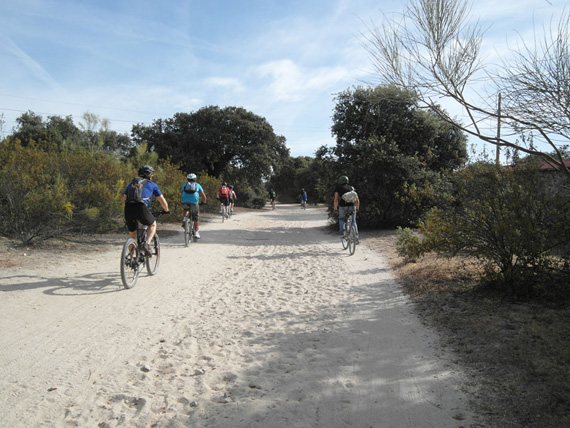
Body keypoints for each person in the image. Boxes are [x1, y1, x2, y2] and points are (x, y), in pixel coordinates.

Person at [123, 165, 169, 255]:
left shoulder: (131, 184)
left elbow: (123, 201)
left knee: (132, 234)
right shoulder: (152, 185)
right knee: (152, 225)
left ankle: (131, 259)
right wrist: (166, 210)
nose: (152, 176)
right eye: (151, 174)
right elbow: (163, 202)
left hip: (128, 208)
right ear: (148, 175)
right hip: (141, 208)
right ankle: (146, 244)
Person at [333, 175, 360, 243]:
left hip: (342, 206)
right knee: (353, 221)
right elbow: (357, 200)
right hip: (352, 206)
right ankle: (356, 236)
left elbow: (335, 200)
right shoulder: (352, 188)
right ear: (347, 181)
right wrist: (357, 208)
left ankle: (342, 235)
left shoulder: (338, 188)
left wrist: (335, 209)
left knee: (341, 219)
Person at [180, 173, 207, 239]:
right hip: (194, 202)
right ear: (195, 179)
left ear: (187, 179)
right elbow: (203, 196)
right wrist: (204, 202)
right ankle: (196, 232)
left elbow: (182, 192)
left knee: (186, 209)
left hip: (184, 201)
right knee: (195, 217)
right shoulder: (197, 185)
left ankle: (184, 219)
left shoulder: (184, 184)